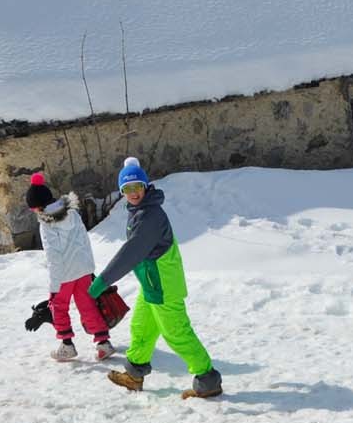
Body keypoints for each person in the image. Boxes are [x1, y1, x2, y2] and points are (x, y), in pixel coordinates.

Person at [89, 158, 223, 399]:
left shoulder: (149, 216)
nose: (133, 193)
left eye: (137, 187)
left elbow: (129, 254)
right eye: (127, 189)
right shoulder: (140, 210)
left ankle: (208, 379)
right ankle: (134, 375)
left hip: (163, 285)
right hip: (151, 283)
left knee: (176, 333)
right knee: (141, 327)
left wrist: (100, 284)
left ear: (146, 186)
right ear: (122, 191)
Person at [25, 172, 111, 362]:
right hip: (83, 269)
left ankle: (67, 345)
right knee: (88, 305)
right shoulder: (72, 213)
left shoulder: (46, 224)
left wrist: (54, 286)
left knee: (59, 307)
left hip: (64, 274)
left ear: (39, 206)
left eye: (33, 209)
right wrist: (89, 267)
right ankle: (103, 342)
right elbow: (84, 241)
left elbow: (53, 256)